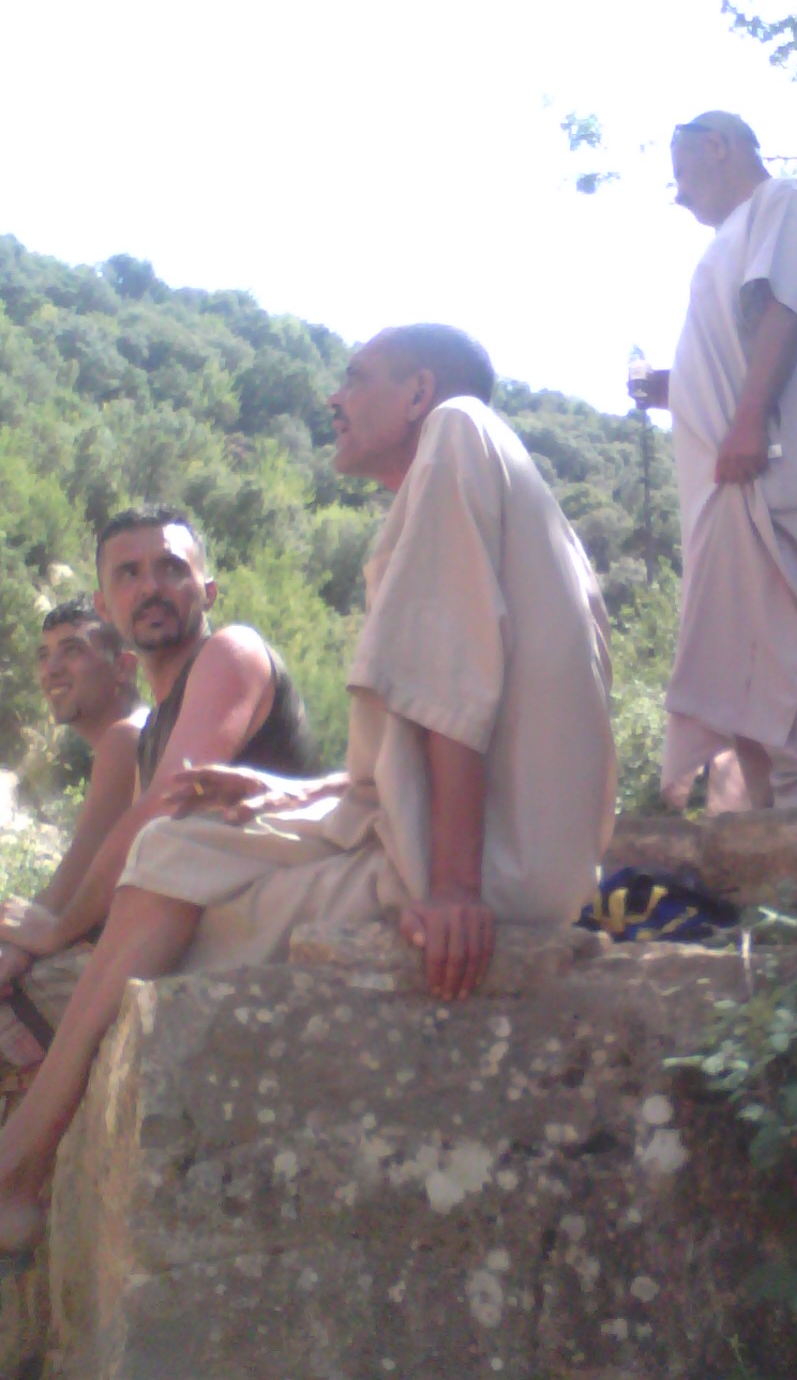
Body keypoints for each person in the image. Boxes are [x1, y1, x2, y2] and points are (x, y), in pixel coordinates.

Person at [0, 325, 615, 1266]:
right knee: (192, 841)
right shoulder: (464, 489)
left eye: (354, 378)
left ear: (417, 391)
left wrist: (453, 885)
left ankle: (21, 1160)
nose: (335, 397)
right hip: (462, 831)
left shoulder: (457, 433)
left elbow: (457, 679)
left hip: (489, 856)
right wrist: (294, 790)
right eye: (123, 573)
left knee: (171, 858)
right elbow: (444, 709)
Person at [0, 509, 319, 1036]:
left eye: (170, 568)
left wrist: (46, 933)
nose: (52, 669)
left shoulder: (142, 727)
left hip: (250, 949)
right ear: (108, 604)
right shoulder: (152, 734)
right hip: (187, 943)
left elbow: (112, 854)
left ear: (208, 591)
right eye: (128, 573)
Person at [633, 110, 797, 812]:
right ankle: (756, 831)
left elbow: (785, 310)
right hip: (725, 486)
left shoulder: (781, 201)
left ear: (718, 147)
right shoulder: (735, 235)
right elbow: (740, 345)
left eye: (680, 175)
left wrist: (750, 420)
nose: (677, 195)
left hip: (761, 472)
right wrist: (677, 388)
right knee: (740, 664)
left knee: (789, 637)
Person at [0, 603, 147, 1077]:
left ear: (124, 666)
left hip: (136, 966)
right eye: (43, 655)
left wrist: (16, 946)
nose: (52, 669)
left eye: (73, 650)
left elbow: (75, 878)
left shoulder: (129, 738)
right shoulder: (134, 737)